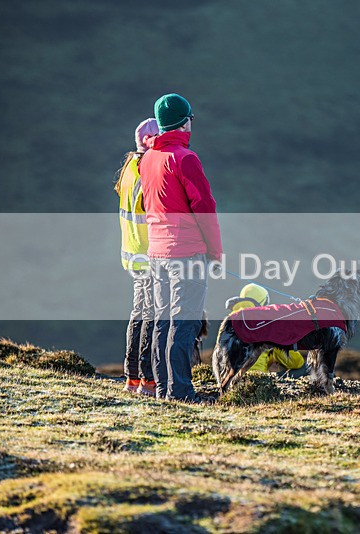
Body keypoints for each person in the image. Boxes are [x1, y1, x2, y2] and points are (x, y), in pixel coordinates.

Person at [139, 93, 223, 402]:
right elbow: (205, 208)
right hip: (186, 252)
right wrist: (214, 251)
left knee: (163, 321)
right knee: (184, 322)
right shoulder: (186, 158)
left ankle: (164, 388)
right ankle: (181, 393)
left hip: (157, 253)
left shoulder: (148, 158)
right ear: (185, 122)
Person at [115, 118, 159, 396]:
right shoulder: (146, 171)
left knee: (138, 314)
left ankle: (131, 379)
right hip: (149, 256)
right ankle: (147, 382)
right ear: (148, 140)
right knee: (150, 317)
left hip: (132, 255)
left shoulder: (129, 168)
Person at [223, 283, 305, 374]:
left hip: (226, 377)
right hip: (254, 380)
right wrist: (271, 355)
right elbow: (296, 362)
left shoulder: (229, 320)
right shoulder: (266, 325)